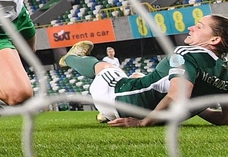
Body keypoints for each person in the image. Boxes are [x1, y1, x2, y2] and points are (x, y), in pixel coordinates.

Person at [59, 14, 228, 126]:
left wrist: (143, 123)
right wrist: (197, 105)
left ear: (214, 39)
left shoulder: (185, 53)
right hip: (152, 115)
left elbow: (177, 95)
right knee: (138, 75)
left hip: (116, 98)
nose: (191, 28)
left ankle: (71, 58)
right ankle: (106, 115)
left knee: (107, 67)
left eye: (199, 27)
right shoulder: (225, 73)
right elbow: (224, 118)